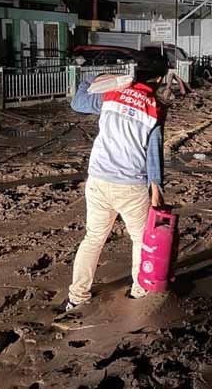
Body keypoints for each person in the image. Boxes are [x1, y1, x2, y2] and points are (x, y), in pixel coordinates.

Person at [64, 59, 168, 311]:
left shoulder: (112, 94)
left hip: (98, 181)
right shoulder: (156, 108)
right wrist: (157, 191)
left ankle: (77, 297)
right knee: (139, 240)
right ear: (159, 80)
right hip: (131, 186)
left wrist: (93, 77)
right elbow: (154, 154)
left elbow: (77, 102)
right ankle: (139, 291)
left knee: (94, 238)